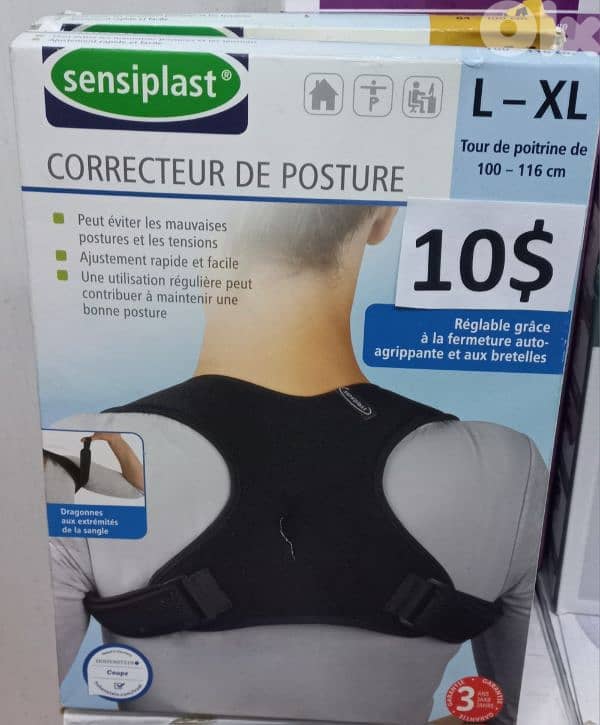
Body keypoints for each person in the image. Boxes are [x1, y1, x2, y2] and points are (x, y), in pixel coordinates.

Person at [48, 202, 547, 725]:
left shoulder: (89, 452)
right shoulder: (507, 467)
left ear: (195, 223)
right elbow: (525, 710)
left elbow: (17, 699)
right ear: (382, 218)